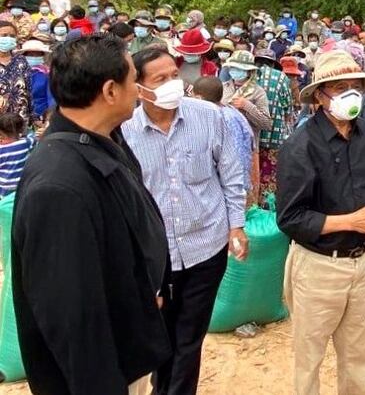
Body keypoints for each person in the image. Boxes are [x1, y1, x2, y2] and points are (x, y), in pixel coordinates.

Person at [12, 34, 171, 395]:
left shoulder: (103, 139)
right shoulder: (59, 187)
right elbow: (72, 317)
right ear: (110, 90)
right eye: (134, 79)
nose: (139, 90)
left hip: (125, 344)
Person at [122, 47, 247, 395]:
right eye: (160, 79)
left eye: (174, 75)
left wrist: (236, 225)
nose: (172, 85)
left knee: (190, 337)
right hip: (154, 260)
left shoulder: (209, 116)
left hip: (205, 248)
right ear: (138, 88)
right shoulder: (126, 132)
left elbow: (231, 174)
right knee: (161, 338)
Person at [277, 50, 365, 395]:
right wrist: (352, 221)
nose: (350, 94)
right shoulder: (300, 146)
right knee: (309, 357)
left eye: (355, 86)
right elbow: (291, 218)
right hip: (318, 267)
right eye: (339, 87)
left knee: (359, 355)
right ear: (319, 95)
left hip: (362, 264)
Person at [193, 76, 254, 194]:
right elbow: (251, 140)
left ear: (199, 98)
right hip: (240, 181)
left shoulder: (215, 118)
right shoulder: (234, 113)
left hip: (226, 185)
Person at [254, 48, 295, 199]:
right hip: (274, 133)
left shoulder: (251, 75)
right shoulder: (281, 77)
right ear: (273, 63)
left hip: (254, 134)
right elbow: (287, 105)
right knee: (270, 171)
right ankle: (267, 203)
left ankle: (253, 201)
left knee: (253, 170)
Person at [221, 51, 272, 171]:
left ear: (249, 71)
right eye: (233, 68)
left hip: (247, 147)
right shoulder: (223, 87)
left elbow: (266, 123)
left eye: (240, 69)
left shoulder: (258, 92)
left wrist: (247, 106)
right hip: (223, 147)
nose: (235, 71)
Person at [0, 21, 33, 125]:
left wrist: (33, 116)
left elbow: (29, 90)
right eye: (4, 35)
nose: (8, 38)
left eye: (12, 36)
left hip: (19, 120)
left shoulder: (21, 60)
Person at [0, 112, 34, 196]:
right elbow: (33, 135)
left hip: (4, 188)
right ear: (21, 129)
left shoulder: (1, 149)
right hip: (22, 186)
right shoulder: (27, 142)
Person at [19, 39, 54, 120]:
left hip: (41, 115)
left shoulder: (47, 74)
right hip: (19, 117)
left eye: (37, 55)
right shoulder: (16, 73)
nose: (34, 57)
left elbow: (51, 99)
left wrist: (48, 118)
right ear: (24, 56)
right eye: (30, 54)